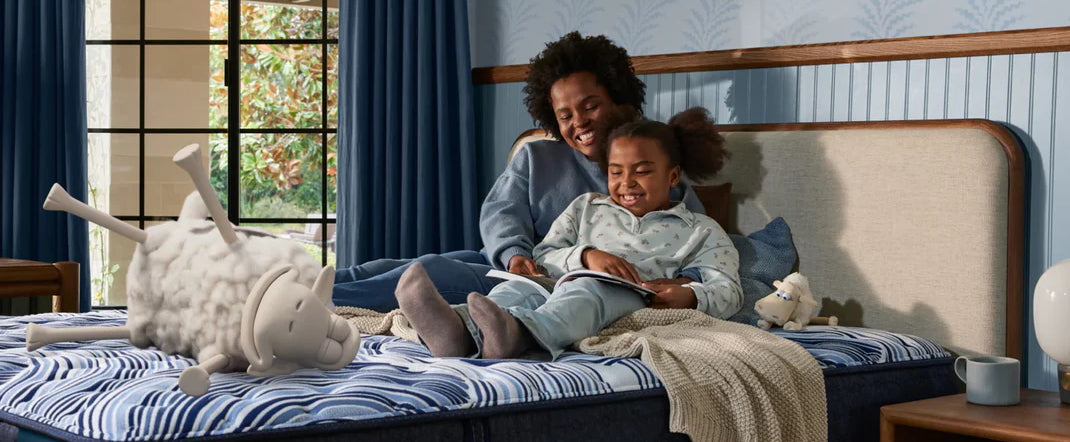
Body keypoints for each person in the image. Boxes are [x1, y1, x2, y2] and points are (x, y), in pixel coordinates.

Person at [331, 32, 706, 311]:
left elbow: (700, 240)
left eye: (590, 106)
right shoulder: (538, 157)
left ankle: (311, 301)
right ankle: (294, 279)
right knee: (396, 265)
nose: (579, 122)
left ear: (618, 99)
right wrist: (512, 253)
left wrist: (692, 285)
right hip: (509, 263)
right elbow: (501, 212)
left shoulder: (656, 173)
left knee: (429, 271)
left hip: (547, 282)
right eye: (565, 116)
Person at [395, 107, 743, 360]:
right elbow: (544, 254)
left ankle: (520, 335)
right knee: (515, 289)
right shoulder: (586, 206)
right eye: (616, 172)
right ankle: (457, 331)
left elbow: (728, 288)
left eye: (642, 171)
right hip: (562, 278)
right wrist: (586, 255)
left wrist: (692, 296)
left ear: (672, 176)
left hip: (629, 295)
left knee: (587, 293)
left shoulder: (700, 229)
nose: (627, 183)